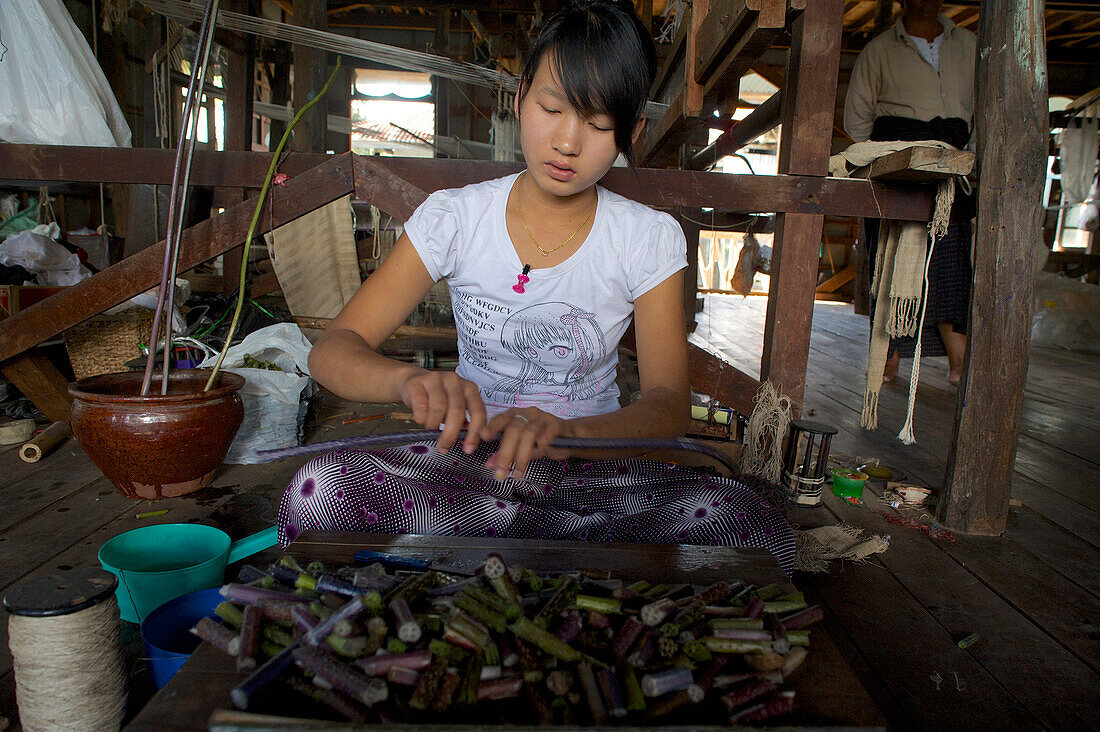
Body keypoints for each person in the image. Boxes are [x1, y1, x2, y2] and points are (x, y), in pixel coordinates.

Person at [277, 0, 794, 572]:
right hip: (469, 466)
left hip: (596, 471)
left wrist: (570, 433)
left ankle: (496, 559)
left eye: (598, 126)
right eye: (552, 108)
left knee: (758, 526)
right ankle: (538, 559)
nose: (567, 143)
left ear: (632, 132)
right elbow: (333, 349)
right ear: (520, 97)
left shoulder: (648, 237)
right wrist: (409, 381)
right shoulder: (454, 218)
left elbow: (668, 404)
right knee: (317, 491)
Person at [844, 0, 976, 386]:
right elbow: (857, 122)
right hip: (894, 161)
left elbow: (982, 113)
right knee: (892, 257)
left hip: (952, 163)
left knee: (949, 259)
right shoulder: (880, 50)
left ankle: (959, 363)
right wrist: (891, 157)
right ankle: (888, 357)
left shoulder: (967, 45)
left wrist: (965, 158)